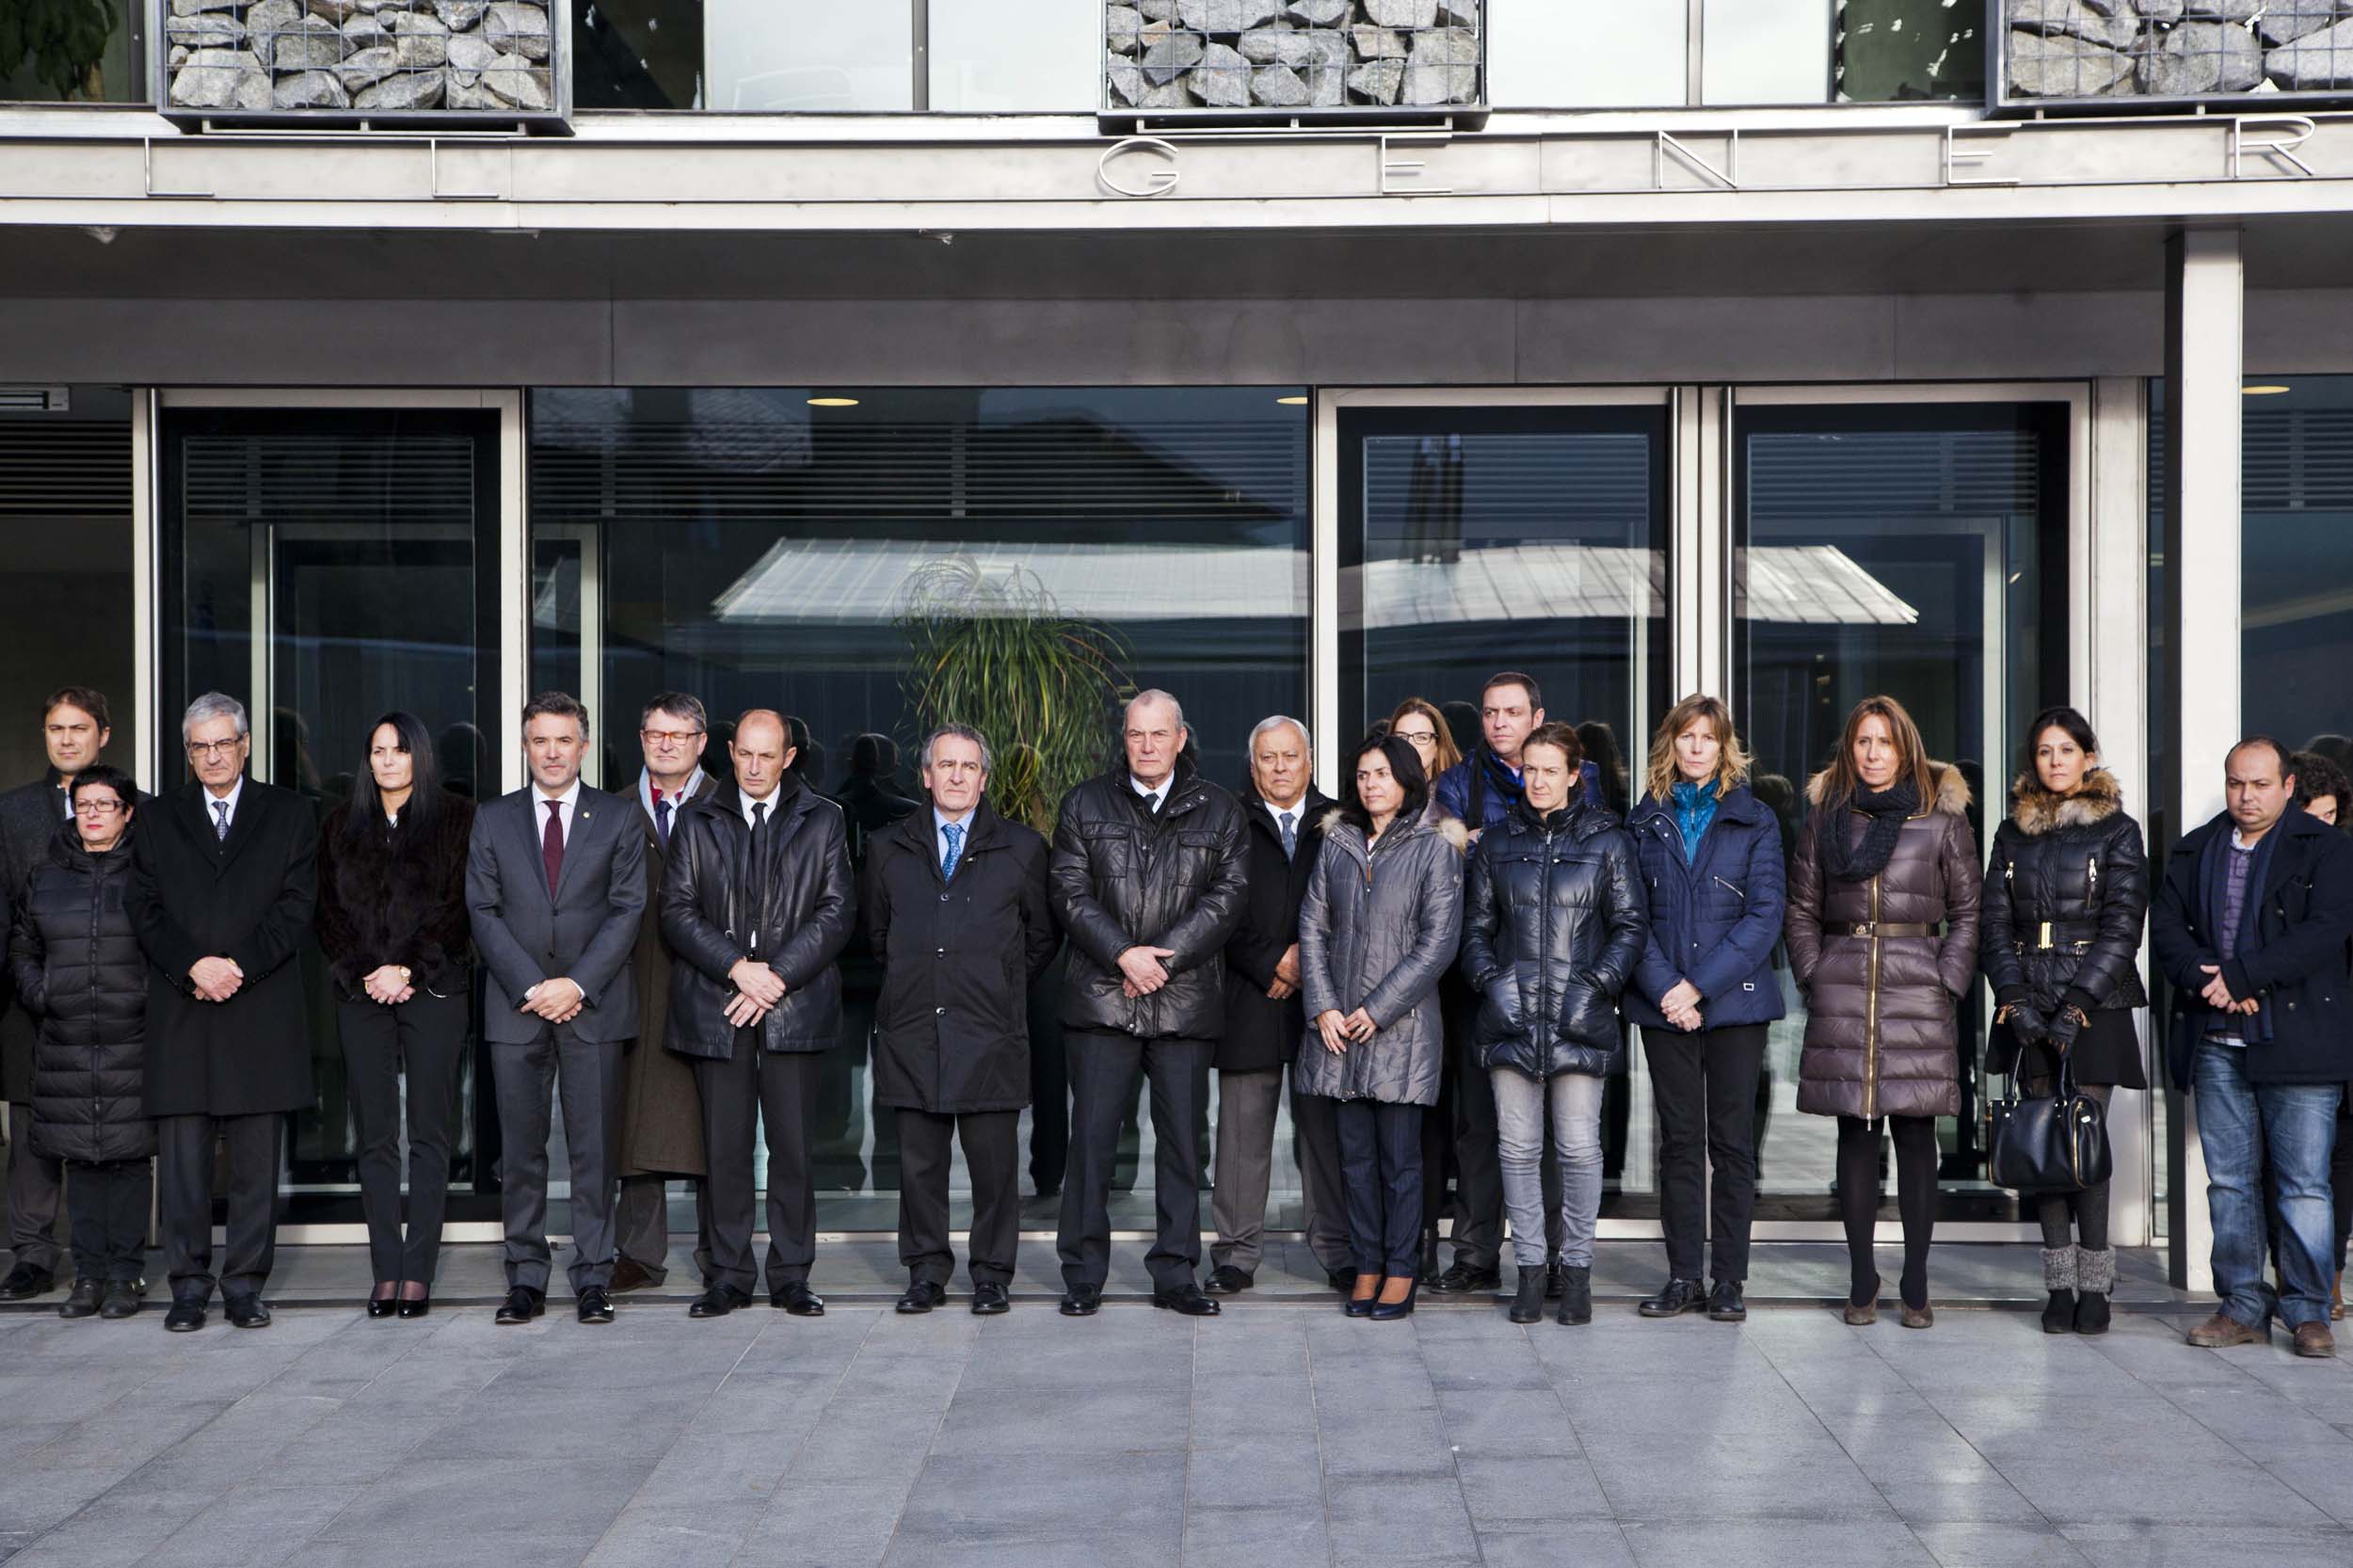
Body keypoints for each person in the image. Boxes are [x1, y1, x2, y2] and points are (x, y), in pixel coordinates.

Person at [2151, 737, 2353, 1358]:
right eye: (2237, 783)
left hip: (2300, 1039)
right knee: (2230, 1182)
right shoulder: (2196, 848)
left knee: (2304, 1185)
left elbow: (2325, 932)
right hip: (2216, 1040)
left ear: (2288, 786)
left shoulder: (2327, 848)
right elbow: (2167, 927)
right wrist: (2208, 979)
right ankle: (2241, 1304)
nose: (2246, 796)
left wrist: (2242, 977)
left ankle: (2308, 1311)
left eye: (2261, 784)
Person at [1048, 689, 1247, 1319]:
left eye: (1159, 734)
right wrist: (1123, 955)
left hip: (1183, 1003)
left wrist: (1161, 960)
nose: (1147, 745)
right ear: (1124, 738)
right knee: (1091, 1146)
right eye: (1136, 734)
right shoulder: (1084, 803)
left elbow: (1228, 897)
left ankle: (1176, 1274)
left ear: (1181, 738)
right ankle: (1084, 1275)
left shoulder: (1220, 810)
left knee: (1183, 1146)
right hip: (1102, 1003)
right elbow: (1069, 892)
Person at [1786, 695, 1980, 1331]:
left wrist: (1946, 982)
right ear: (1850, 748)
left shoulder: (1940, 817)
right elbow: (1801, 906)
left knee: (1917, 1134)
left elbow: (1969, 911)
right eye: (1863, 741)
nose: (1873, 754)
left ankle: (1916, 1278)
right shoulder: (1826, 816)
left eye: (1885, 742)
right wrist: (1815, 973)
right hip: (1845, 983)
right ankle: (1862, 1276)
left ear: (1905, 748)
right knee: (1856, 1132)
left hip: (1917, 986)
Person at [130, 693, 319, 1333]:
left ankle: (244, 1286)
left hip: (258, 1007)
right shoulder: (157, 818)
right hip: (183, 1008)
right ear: (188, 753)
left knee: (255, 1166)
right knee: (183, 1165)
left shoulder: (290, 813)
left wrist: (236, 964)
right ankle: (187, 1288)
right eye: (199, 747)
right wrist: (194, 965)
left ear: (245, 745)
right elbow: (144, 908)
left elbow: (297, 905)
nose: (212, 756)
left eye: (222, 743)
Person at [662, 710, 855, 1320]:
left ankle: (792, 1276)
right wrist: (737, 969)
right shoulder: (696, 818)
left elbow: (836, 912)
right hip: (718, 1006)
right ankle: (728, 1276)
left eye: (766, 756)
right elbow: (676, 912)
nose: (753, 766)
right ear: (730, 750)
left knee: (793, 1150)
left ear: (788, 758)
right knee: (725, 1151)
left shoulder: (824, 818)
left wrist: (774, 977)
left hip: (793, 1008)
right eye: (744, 753)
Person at [466, 692, 646, 1327]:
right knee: (521, 1152)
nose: (551, 752)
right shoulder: (493, 818)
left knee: (594, 1152)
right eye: (539, 740)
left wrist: (575, 985)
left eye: (563, 740)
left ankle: (594, 1276)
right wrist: (531, 986)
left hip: (592, 1009)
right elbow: (481, 911)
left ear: (584, 747)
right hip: (516, 1010)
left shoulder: (619, 818)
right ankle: (526, 1277)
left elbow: (628, 909)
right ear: (525, 746)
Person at [864, 724, 1055, 1315]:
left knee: (994, 1169)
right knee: (920, 1167)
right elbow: (877, 936)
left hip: (989, 1032)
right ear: (925, 776)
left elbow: (1041, 939)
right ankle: (925, 1272)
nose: (956, 776)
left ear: (984, 778)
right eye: (945, 765)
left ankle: (992, 1274)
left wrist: (993, 984)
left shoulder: (1023, 848)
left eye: (968, 766)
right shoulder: (887, 847)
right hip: (914, 1029)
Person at [1461, 722, 1646, 1326]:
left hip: (1578, 1018)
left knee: (1579, 1150)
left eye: (1549, 770)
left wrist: (1594, 988)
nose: (1538, 781)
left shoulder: (1608, 841)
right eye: (1530, 770)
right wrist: (1495, 985)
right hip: (1512, 1019)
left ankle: (1578, 1272)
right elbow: (1475, 930)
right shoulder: (1497, 843)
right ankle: (1531, 1271)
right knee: (1517, 1151)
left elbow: (1630, 927)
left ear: (1574, 774)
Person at [1978, 707, 2149, 1336]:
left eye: (2066, 750)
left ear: (2088, 756)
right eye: (2045, 751)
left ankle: (2095, 1286)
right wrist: (2014, 997)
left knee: (2085, 1141)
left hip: (2095, 1003)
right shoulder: (2012, 832)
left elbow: (2123, 926)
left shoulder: (2118, 830)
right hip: (2027, 1001)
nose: (2055, 761)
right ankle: (2057, 1286)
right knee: (2041, 1144)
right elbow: (1993, 923)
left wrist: (2078, 1004)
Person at [1624, 695, 1785, 1325]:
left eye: (1708, 737)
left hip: (1734, 1005)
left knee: (1733, 1145)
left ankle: (1729, 1280)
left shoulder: (1755, 818)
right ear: (1671, 743)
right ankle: (1684, 1276)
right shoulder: (1644, 819)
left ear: (1725, 747)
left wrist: (1698, 987)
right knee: (1681, 1143)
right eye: (1686, 736)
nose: (1696, 747)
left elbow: (1764, 915)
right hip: (1663, 1003)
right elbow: (1630, 916)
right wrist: (1670, 989)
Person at [1429, 673, 1587, 1298]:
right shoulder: (1457, 782)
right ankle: (1475, 1254)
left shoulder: (1581, 779)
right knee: (1480, 1126)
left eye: (1512, 712)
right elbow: (1442, 870)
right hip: (1485, 982)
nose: (1499, 722)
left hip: (1559, 982)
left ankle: (1548, 1259)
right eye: (1491, 712)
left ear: (1536, 717)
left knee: (1551, 1132)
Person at [1297, 731, 1465, 1320]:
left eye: (1383, 775)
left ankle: (1401, 1270)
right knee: (1356, 1162)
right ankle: (1366, 1265)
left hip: (1401, 1031)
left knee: (1400, 1164)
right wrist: (1323, 1006)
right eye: (1364, 775)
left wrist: (1376, 1009)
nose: (1371, 785)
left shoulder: (1433, 847)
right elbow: (1312, 926)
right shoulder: (1338, 842)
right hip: (1339, 1032)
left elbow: (1438, 943)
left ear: (1407, 781)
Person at [315, 712, 476, 1320]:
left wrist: (406, 967)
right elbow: (327, 912)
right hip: (362, 994)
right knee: (375, 1135)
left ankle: (418, 1271)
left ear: (420, 756)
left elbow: (460, 905)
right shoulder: (340, 824)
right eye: (378, 750)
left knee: (430, 1134)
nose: (387, 760)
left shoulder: (458, 818)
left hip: (434, 989)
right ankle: (387, 1270)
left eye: (400, 749)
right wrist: (368, 970)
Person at [8, 765, 149, 1320]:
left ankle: (125, 1275)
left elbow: (169, 944)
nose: (91, 814)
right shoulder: (46, 874)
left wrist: (141, 997)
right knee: (81, 1160)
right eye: (83, 804)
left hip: (131, 1037)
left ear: (127, 813)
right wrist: (40, 993)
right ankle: (88, 1276)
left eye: (104, 804)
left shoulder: (149, 873)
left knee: (129, 1159)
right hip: (64, 1039)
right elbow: (23, 947)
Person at [1209, 714, 1334, 1296]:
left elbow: (1359, 908)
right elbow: (1212, 909)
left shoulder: (1340, 822)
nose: (1280, 768)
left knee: (1326, 1138)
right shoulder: (1227, 821)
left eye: (1289, 756)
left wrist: (1307, 960)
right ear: (1252, 764)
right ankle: (1235, 1255)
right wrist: (1271, 963)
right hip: (1247, 997)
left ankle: (1339, 1250)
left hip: (1323, 1004)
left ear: (1308, 760)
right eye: (1268, 758)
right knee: (1241, 1139)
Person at [0, 685, 112, 1304]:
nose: (67, 739)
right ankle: (32, 1256)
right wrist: (26, 984)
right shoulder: (12, 811)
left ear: (103, 735)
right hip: (30, 998)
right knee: (32, 1133)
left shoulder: (137, 807)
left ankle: (108, 1254)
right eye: (56, 729)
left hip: (111, 996)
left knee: (108, 1128)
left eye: (78, 728)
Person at [613, 693, 717, 1294]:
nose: (666, 744)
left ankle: (719, 1252)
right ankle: (639, 1254)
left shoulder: (728, 805)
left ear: (701, 743)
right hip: (635, 983)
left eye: (679, 735)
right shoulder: (614, 809)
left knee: (714, 1122)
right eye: (655, 734)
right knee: (637, 1118)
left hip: (714, 984)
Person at [2288, 752, 2353, 1321]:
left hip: (2341, 1024)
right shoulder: (2274, 863)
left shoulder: (2343, 861)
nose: (2322, 826)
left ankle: (2329, 1277)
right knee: (2294, 1164)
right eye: (2313, 813)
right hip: (2293, 1024)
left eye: (2331, 815)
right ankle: (2295, 1277)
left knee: (2339, 1160)